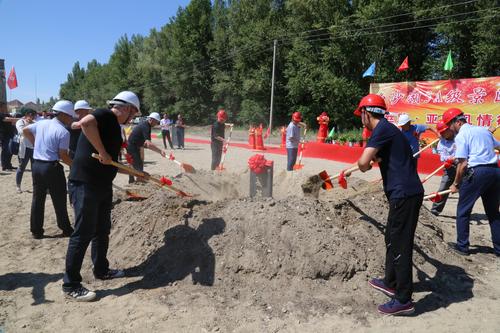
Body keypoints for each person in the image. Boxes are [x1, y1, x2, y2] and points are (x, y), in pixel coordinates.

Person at [63, 91, 141, 302]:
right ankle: (71, 285)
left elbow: (110, 162)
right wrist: (102, 151)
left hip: (102, 185)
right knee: (83, 233)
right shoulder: (106, 115)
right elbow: (86, 123)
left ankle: (101, 270)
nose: (132, 119)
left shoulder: (114, 127)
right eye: (132, 114)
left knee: (101, 230)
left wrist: (135, 172)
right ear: (124, 108)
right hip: (85, 184)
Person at [352, 94, 424, 315]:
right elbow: (385, 158)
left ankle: (404, 299)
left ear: (366, 112)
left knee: (401, 243)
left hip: (405, 194)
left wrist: (365, 164)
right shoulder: (389, 130)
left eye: (360, 114)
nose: (360, 119)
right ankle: (390, 281)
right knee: (391, 237)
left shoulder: (381, 129)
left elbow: (363, 163)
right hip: (403, 193)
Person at [445, 108, 500, 257]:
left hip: (477, 174)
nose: (449, 129)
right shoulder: (484, 131)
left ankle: (462, 247)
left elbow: (462, 164)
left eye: (449, 125)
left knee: (463, 211)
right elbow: (498, 146)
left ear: (457, 122)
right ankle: (499, 249)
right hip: (495, 172)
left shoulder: (462, 135)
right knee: (494, 213)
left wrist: (455, 184)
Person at [23, 100, 75, 239]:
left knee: (37, 198)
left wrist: (36, 144)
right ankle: (66, 228)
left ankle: (36, 230)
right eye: (70, 116)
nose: (71, 119)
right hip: (51, 168)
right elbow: (63, 156)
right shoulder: (63, 132)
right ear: (64, 114)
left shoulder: (42, 123)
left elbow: (25, 130)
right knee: (59, 198)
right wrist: (76, 166)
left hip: (37, 166)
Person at [126, 112, 165, 183]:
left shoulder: (147, 125)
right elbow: (149, 144)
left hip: (134, 145)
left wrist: (144, 146)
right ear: (151, 120)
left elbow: (145, 143)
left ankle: (132, 180)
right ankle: (139, 180)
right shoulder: (146, 126)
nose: (156, 124)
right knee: (138, 164)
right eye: (156, 122)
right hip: (132, 146)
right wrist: (160, 151)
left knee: (134, 163)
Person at [430, 120, 457, 216]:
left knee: (467, 190)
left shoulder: (459, 137)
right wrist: (451, 159)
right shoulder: (441, 142)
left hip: (463, 167)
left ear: (449, 129)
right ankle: (435, 211)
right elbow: (443, 157)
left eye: (444, 131)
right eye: (441, 132)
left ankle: (464, 213)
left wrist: (457, 157)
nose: (442, 134)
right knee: (443, 189)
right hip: (450, 167)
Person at [15, 107, 36, 193]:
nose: (32, 117)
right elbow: (21, 131)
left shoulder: (35, 122)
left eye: (33, 115)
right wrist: (30, 126)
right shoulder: (20, 122)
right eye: (31, 115)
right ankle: (18, 186)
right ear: (26, 114)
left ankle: (36, 186)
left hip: (34, 148)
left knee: (35, 169)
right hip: (24, 148)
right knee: (21, 167)